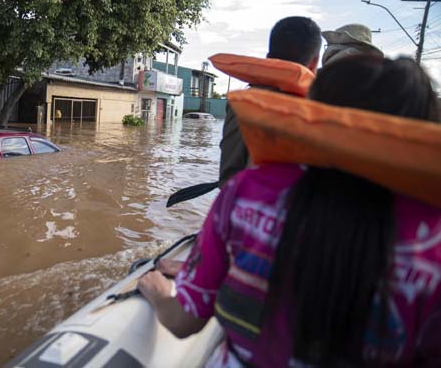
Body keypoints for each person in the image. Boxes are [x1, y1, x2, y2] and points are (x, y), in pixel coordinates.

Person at [138, 56, 441, 367]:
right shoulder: (433, 240)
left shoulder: (248, 192)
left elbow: (183, 321)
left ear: (311, 114)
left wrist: (159, 293)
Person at [219, 16, 322, 187]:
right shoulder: (318, 111)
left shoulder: (240, 103)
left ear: (268, 58)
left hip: (235, 205)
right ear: (314, 62)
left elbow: (228, 176)